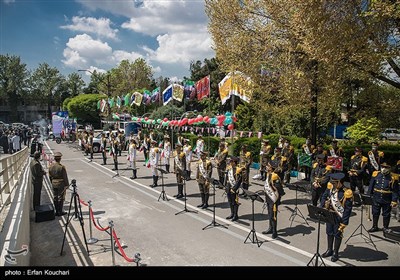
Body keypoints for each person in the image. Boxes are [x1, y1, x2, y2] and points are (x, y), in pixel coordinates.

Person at [320, 173, 353, 262]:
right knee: (329, 232)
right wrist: (321, 207)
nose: (332, 184)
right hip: (329, 214)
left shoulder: (346, 193)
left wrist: (344, 222)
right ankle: (329, 249)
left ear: (339, 183)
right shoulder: (331, 188)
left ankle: (336, 252)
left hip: (338, 216)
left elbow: (347, 210)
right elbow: (324, 196)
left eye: (334, 183)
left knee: (337, 234)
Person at [367, 162, 399, 232]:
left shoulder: (393, 177)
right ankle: (375, 226)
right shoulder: (376, 174)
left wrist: (394, 200)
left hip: (387, 198)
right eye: (382, 167)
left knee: (386, 213)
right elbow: (371, 186)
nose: (383, 169)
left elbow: (395, 190)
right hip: (376, 197)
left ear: (389, 168)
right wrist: (368, 196)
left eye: (385, 167)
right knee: (375, 212)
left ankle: (385, 227)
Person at [262, 162, 285, 239]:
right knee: (269, 214)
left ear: (271, 168)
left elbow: (279, 189)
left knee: (273, 216)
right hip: (269, 198)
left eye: (268, 166)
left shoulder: (274, 176)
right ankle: (270, 228)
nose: (266, 167)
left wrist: (277, 199)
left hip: (273, 199)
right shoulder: (269, 174)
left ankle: (275, 231)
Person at [48, 152, 69, 216]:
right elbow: (65, 176)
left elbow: (50, 176)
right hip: (60, 183)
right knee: (61, 197)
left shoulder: (51, 166)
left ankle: (56, 211)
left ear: (54, 159)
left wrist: (52, 182)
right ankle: (60, 211)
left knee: (55, 197)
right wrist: (67, 185)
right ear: (60, 159)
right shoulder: (62, 167)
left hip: (54, 183)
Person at [225, 157, 242, 221]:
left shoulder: (238, 170)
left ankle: (235, 215)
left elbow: (239, 181)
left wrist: (234, 189)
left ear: (234, 162)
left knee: (235, 202)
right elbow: (227, 178)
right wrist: (226, 186)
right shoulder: (229, 168)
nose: (230, 162)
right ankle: (232, 213)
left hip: (234, 188)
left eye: (231, 161)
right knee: (230, 201)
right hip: (229, 187)